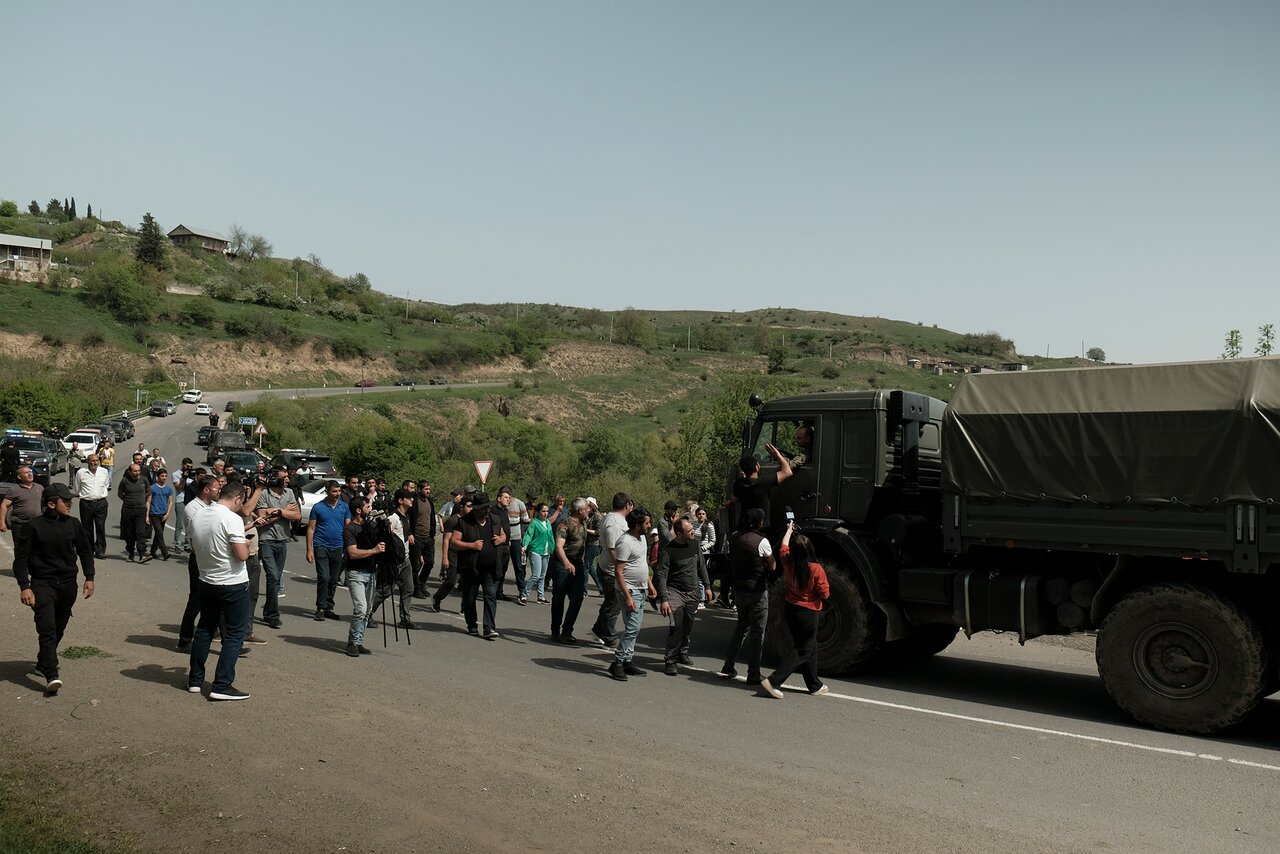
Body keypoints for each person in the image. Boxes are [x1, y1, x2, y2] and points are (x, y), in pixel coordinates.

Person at [12, 482, 95, 696]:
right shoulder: (34, 527)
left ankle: (42, 661)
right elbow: (20, 560)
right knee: (47, 628)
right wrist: (25, 586)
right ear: (50, 504)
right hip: (42, 584)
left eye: (70, 501)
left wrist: (89, 577)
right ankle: (51, 674)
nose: (69, 504)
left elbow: (85, 551)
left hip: (68, 585)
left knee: (58, 628)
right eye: (64, 501)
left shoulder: (74, 524)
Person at [186, 481, 252, 700]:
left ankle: (195, 680)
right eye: (240, 502)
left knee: (205, 628)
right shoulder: (231, 518)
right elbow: (241, 555)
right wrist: (247, 545)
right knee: (234, 635)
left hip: (206, 580)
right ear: (237, 498)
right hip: (232, 583)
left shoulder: (199, 515)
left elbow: (195, 545)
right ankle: (222, 685)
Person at [760, 521, 831, 699]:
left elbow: (783, 546)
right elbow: (825, 594)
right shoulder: (816, 569)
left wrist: (789, 530)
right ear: (810, 551)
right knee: (803, 649)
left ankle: (814, 684)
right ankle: (774, 681)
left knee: (809, 646)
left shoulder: (787, 561)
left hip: (791, 609)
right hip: (808, 612)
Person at [721, 508, 775, 685]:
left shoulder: (735, 537)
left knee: (741, 627)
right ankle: (754, 673)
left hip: (739, 590)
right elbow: (772, 565)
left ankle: (728, 665)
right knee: (757, 632)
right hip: (757, 592)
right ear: (759, 523)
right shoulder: (762, 542)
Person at [656, 516, 712, 676]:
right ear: (679, 534)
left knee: (688, 625)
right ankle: (670, 660)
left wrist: (707, 587)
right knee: (676, 626)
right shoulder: (668, 551)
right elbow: (662, 576)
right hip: (675, 593)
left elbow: (701, 566)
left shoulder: (695, 545)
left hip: (693, 592)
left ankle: (682, 653)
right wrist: (664, 599)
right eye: (689, 531)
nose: (693, 532)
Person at [607, 508, 657, 681]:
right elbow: (619, 572)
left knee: (633, 629)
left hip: (641, 588)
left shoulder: (641, 538)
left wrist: (649, 584)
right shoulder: (625, 542)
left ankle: (627, 661)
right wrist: (627, 597)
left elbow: (642, 562)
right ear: (637, 525)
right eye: (647, 523)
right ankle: (617, 662)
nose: (649, 526)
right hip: (629, 590)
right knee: (633, 628)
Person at [455, 492, 506, 639]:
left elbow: (504, 535)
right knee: (469, 599)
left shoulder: (494, 520)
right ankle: (472, 625)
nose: (486, 510)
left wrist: (500, 539)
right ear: (476, 508)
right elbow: (454, 542)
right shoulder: (464, 522)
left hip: (491, 568)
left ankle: (489, 628)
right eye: (483, 508)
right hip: (471, 568)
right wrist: (471, 545)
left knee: (490, 596)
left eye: (487, 507)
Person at [254, 467, 300, 630]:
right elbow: (262, 518)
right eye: (284, 477)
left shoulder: (289, 493)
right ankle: (273, 615)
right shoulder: (264, 494)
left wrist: (278, 511)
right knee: (273, 576)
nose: (287, 479)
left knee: (276, 579)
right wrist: (284, 512)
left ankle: (268, 611)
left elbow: (297, 516)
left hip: (282, 540)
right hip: (266, 540)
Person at [590, 493, 633, 649]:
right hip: (610, 570)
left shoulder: (615, 519)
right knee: (613, 605)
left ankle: (598, 629)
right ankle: (609, 636)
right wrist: (621, 569)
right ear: (627, 505)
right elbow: (613, 549)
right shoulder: (614, 522)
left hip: (610, 568)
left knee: (610, 603)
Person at [342, 497, 385, 657]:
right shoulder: (350, 529)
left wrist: (383, 526)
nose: (370, 509)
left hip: (371, 572)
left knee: (367, 611)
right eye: (368, 506)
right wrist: (374, 551)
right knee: (360, 608)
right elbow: (352, 553)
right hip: (356, 573)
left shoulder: (371, 526)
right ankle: (352, 643)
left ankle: (358, 641)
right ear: (359, 510)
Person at [368, 488, 415, 631]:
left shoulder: (406, 517)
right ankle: (368, 614)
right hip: (393, 561)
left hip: (405, 559)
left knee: (408, 589)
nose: (412, 500)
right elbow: (384, 536)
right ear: (401, 501)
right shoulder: (393, 518)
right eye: (409, 498)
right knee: (385, 591)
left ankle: (405, 619)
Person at [306, 480, 349, 621]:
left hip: (338, 547)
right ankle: (321, 607)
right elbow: (311, 529)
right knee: (324, 577)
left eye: (339, 491)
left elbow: (348, 528)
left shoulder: (344, 507)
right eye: (334, 491)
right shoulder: (318, 507)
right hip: (321, 546)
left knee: (333, 579)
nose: (337, 494)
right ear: (327, 491)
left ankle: (329, 607)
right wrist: (309, 550)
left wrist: (348, 547)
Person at [549, 498, 589, 643]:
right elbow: (559, 547)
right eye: (587, 508)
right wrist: (566, 562)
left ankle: (567, 631)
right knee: (558, 599)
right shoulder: (564, 524)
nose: (589, 510)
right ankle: (555, 631)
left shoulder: (583, 522)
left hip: (578, 567)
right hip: (563, 566)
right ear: (580, 510)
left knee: (577, 599)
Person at [731, 443, 793, 530]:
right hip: (760, 527)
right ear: (757, 467)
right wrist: (777, 455)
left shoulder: (738, 484)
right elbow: (788, 472)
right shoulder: (763, 482)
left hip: (744, 526)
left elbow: (733, 500)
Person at [430, 494, 470, 613]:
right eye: (469, 506)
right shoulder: (453, 520)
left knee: (467, 581)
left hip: (466, 554)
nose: (471, 509)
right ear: (462, 506)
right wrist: (445, 557)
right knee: (452, 580)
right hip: (453, 554)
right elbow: (446, 540)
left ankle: (465, 606)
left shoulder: (470, 521)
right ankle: (437, 598)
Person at [494, 486, 529, 602]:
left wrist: (523, 539)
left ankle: (522, 591)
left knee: (518, 566)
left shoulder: (519, 504)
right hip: (503, 540)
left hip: (516, 539)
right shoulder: (501, 508)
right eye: (505, 496)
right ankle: (498, 591)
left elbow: (525, 521)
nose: (508, 499)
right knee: (502, 566)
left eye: (509, 496)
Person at [73, 452, 110, 559]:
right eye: (92, 460)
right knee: (87, 528)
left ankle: (100, 550)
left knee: (100, 527)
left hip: (101, 503)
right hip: (86, 503)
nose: (95, 462)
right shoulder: (81, 473)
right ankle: (89, 549)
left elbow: (106, 485)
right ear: (88, 461)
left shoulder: (104, 472)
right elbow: (77, 488)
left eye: (97, 460)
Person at [2, 465, 45, 548]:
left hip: (36, 524)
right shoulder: (14, 490)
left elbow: (46, 504)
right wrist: (2, 523)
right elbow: (4, 505)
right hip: (19, 524)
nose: (29, 474)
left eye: (30, 472)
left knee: (36, 548)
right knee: (20, 549)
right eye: (26, 473)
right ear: (19, 477)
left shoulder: (40, 488)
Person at [520, 503, 554, 604]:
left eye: (547, 511)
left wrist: (554, 548)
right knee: (536, 575)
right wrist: (525, 545)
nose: (545, 513)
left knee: (543, 576)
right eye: (543, 511)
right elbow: (528, 535)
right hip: (536, 550)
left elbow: (551, 537)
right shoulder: (534, 523)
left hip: (546, 552)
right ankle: (524, 594)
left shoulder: (547, 522)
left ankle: (541, 596)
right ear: (538, 512)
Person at [116, 461, 150, 562]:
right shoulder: (125, 481)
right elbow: (120, 493)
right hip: (128, 509)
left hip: (140, 509)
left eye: (139, 471)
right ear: (130, 472)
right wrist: (128, 500)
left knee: (140, 532)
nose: (137, 473)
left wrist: (141, 498)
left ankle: (142, 554)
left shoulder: (144, 480)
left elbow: (148, 491)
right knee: (129, 533)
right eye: (135, 471)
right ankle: (130, 553)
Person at [409, 480, 437, 597]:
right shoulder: (413, 501)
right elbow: (409, 518)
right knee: (415, 565)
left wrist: (432, 532)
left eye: (429, 489)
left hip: (428, 538)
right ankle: (415, 589)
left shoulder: (429, 501)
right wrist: (410, 533)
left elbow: (432, 518)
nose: (428, 491)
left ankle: (421, 584)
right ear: (419, 490)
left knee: (429, 563)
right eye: (426, 489)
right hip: (417, 537)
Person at [146, 469, 175, 561]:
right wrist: (147, 514)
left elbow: (170, 502)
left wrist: (167, 514)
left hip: (163, 513)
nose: (164, 478)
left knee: (159, 534)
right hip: (154, 513)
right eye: (162, 476)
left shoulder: (168, 489)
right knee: (159, 532)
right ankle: (165, 552)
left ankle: (153, 550)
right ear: (158, 477)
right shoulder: (152, 488)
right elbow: (148, 501)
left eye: (165, 476)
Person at [172, 459, 195, 553]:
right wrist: (184, 478)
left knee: (190, 524)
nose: (189, 468)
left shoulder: (192, 474)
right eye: (187, 466)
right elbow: (178, 487)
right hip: (181, 500)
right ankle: (177, 544)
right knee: (180, 524)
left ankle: (187, 544)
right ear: (182, 465)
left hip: (191, 501)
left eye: (190, 466)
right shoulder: (176, 474)